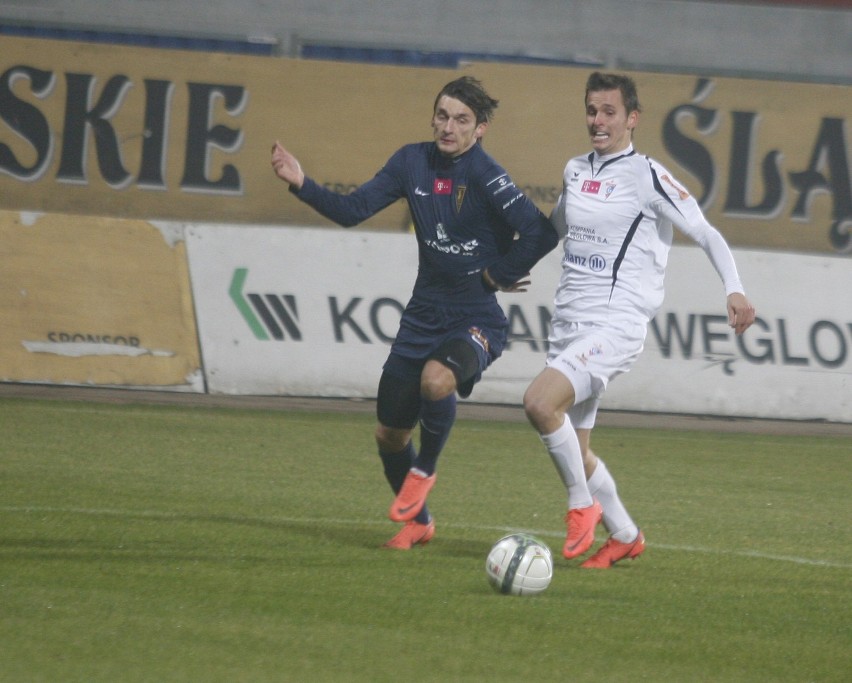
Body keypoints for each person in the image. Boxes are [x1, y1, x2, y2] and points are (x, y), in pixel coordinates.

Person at [271, 76, 558, 549]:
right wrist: (301, 183)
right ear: (433, 117)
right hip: (422, 317)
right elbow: (352, 209)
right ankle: (419, 522)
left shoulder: (487, 175)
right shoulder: (411, 161)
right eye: (442, 116)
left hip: (476, 320)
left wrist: (497, 275)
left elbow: (540, 234)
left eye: (461, 119)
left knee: (436, 380)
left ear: (480, 128)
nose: (449, 127)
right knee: (388, 434)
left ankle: (425, 470)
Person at [524, 71, 756, 568]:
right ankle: (625, 534)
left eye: (609, 112)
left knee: (539, 403)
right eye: (591, 110)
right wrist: (507, 267)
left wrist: (734, 288)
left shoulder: (647, 174)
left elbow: (706, 232)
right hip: (569, 322)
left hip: (616, 323)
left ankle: (579, 505)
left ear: (632, 118)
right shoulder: (574, 170)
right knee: (576, 449)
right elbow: (553, 230)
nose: (598, 121)